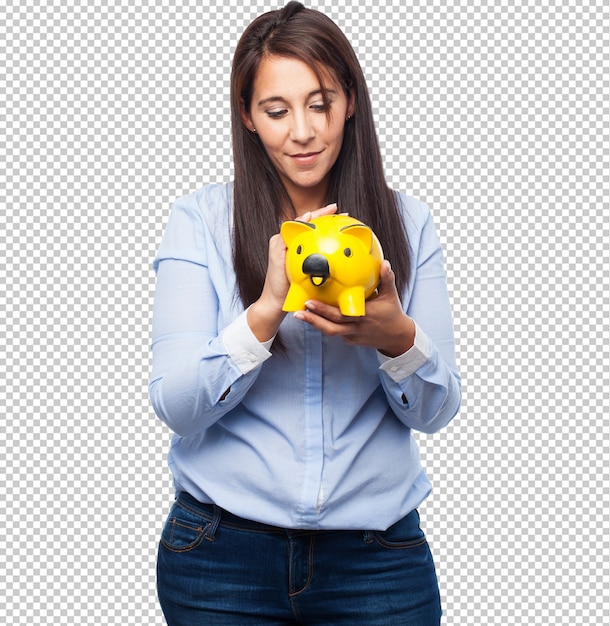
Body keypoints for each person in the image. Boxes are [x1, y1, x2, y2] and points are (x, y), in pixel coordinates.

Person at [149, 2, 461, 624]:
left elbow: (438, 410)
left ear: (350, 102)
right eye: (276, 109)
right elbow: (175, 406)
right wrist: (265, 312)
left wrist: (396, 338)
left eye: (320, 103)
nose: (302, 131)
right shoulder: (201, 223)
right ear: (247, 115)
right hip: (219, 557)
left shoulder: (406, 224)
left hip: (378, 562)